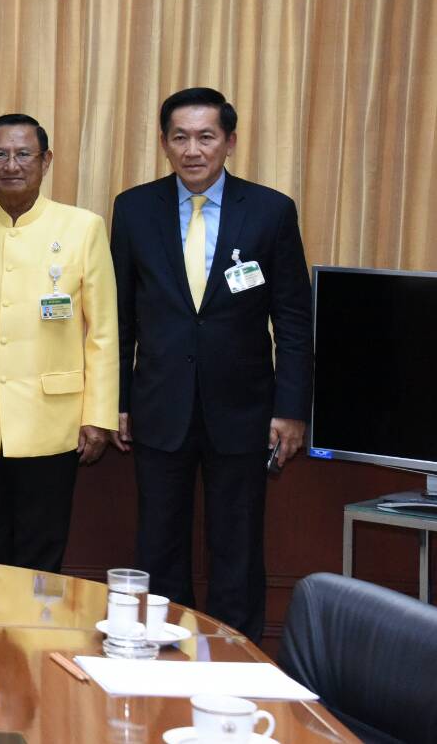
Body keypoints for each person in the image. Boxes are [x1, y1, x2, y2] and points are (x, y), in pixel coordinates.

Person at [111, 87, 311, 641]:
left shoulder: (270, 210)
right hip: (159, 406)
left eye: (206, 137)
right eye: (180, 137)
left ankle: (235, 659)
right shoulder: (133, 209)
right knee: (159, 547)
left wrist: (291, 410)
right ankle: (162, 651)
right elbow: (119, 320)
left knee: (237, 547)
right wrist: (118, 403)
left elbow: (293, 319)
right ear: (164, 143)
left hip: (244, 410)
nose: (192, 150)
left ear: (230, 142)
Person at [0, 113, 118, 573]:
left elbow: (102, 332)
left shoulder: (83, 228)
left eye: (25, 154)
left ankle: (36, 640)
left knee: (41, 557)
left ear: (46, 161)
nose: (12, 165)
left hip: (53, 420)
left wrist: (97, 416)